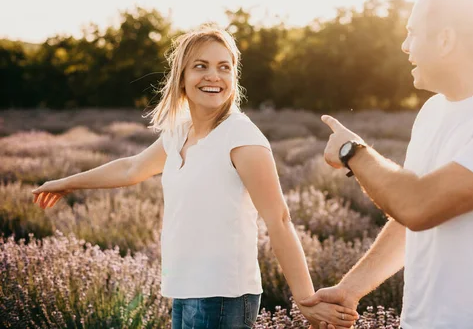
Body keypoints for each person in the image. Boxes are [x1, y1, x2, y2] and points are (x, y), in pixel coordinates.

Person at [31, 24, 359, 329]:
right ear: (182, 77)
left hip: (223, 295)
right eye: (200, 66)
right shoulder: (179, 132)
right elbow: (132, 168)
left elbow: (280, 219)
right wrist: (65, 183)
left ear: (234, 76)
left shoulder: (242, 137)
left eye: (224, 67)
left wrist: (305, 298)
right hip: (186, 287)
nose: (213, 76)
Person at [300, 0, 473, 329]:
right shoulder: (432, 112)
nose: (405, 45)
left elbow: (420, 206)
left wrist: (352, 151)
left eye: (412, 33)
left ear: (444, 40)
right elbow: (408, 221)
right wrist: (350, 289)